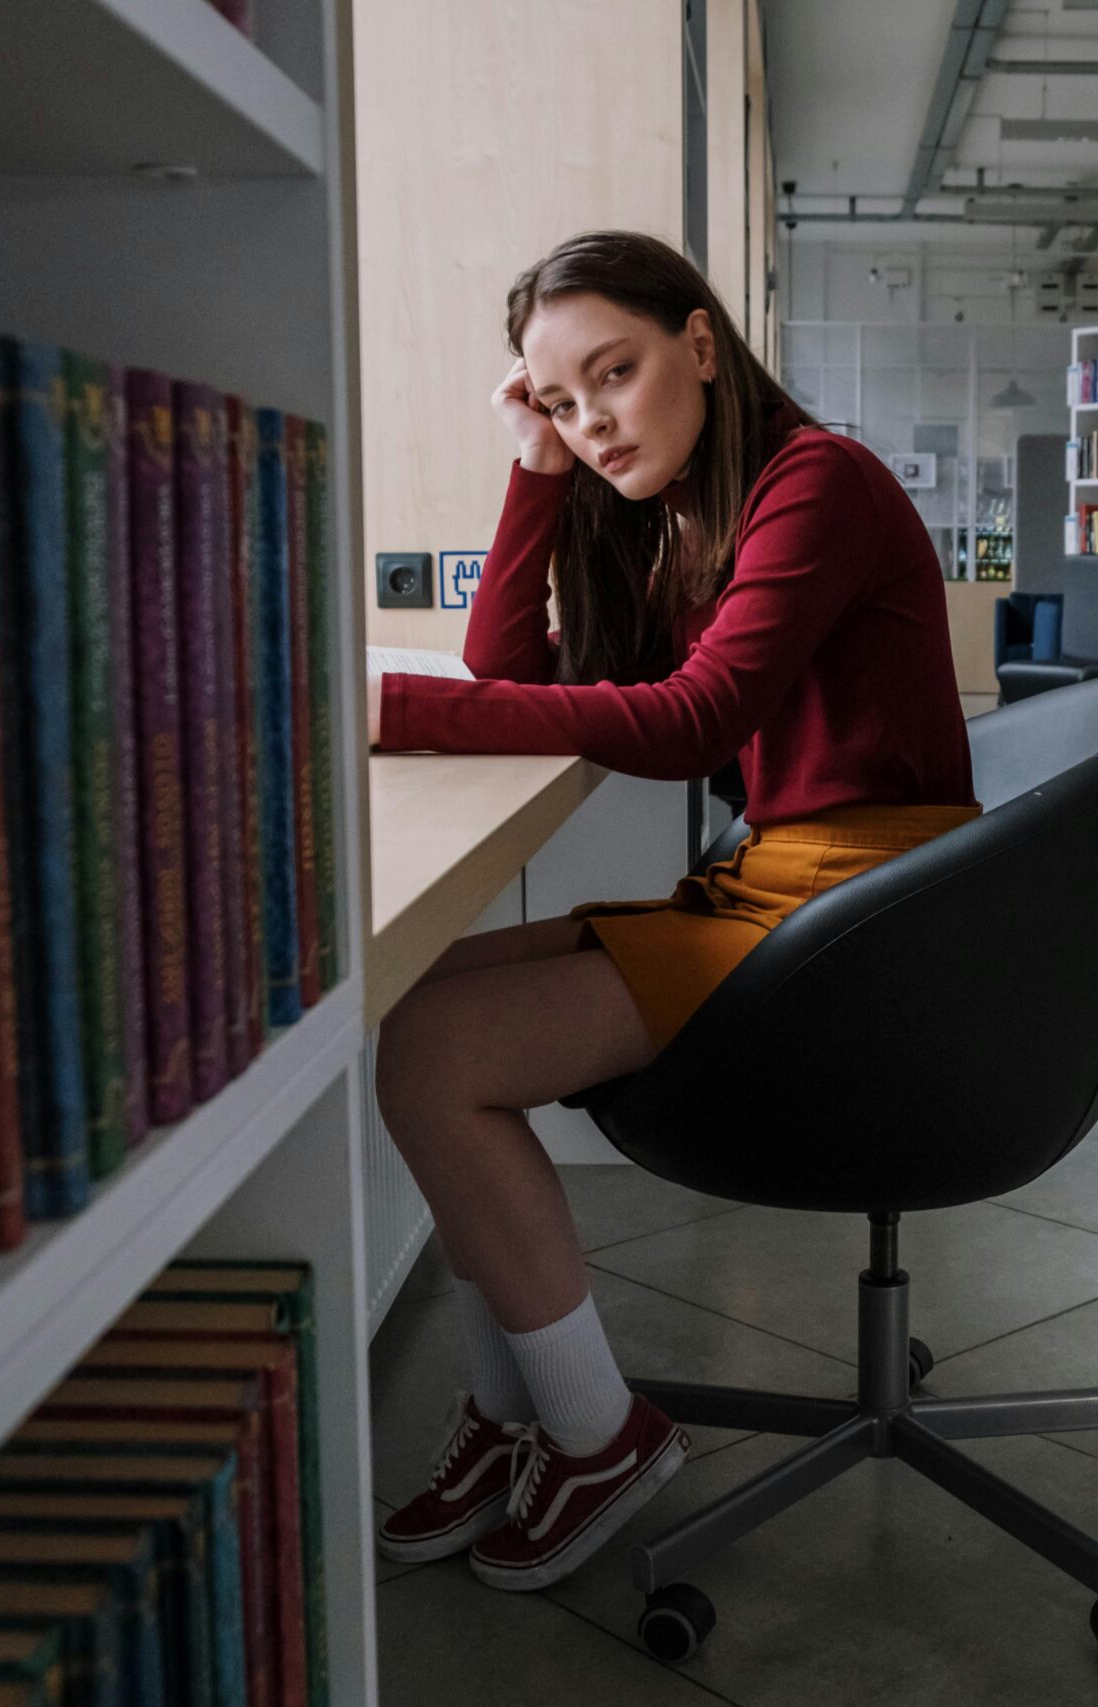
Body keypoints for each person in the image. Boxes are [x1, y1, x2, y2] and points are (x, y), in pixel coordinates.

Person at [370, 230, 979, 1592]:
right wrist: (534, 474)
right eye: (562, 402)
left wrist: (391, 709)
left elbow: (693, 717)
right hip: (794, 885)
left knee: (432, 1055)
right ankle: (520, 1410)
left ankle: (597, 1434)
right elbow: (510, 666)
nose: (593, 423)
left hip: (868, 913)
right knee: (414, 999)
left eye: (617, 374)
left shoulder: (812, 483)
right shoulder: (692, 517)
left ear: (702, 343)